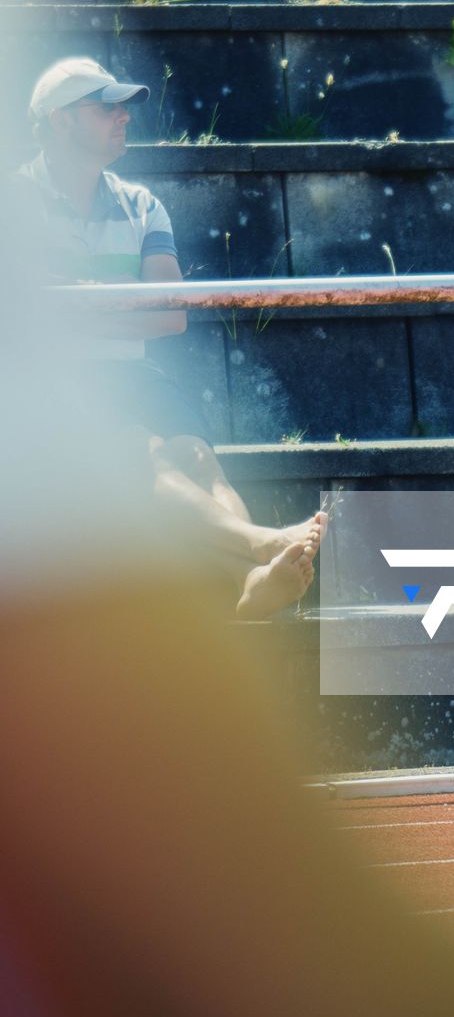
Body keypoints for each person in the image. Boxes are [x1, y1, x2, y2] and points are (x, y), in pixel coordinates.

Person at [17, 56, 327, 617]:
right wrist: (108, 302)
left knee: (198, 458)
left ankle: (254, 576)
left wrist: (75, 297)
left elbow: (171, 313)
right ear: (61, 120)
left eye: (124, 108)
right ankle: (259, 548)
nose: (123, 118)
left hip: (130, 372)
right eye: (105, 107)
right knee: (148, 452)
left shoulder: (141, 204)